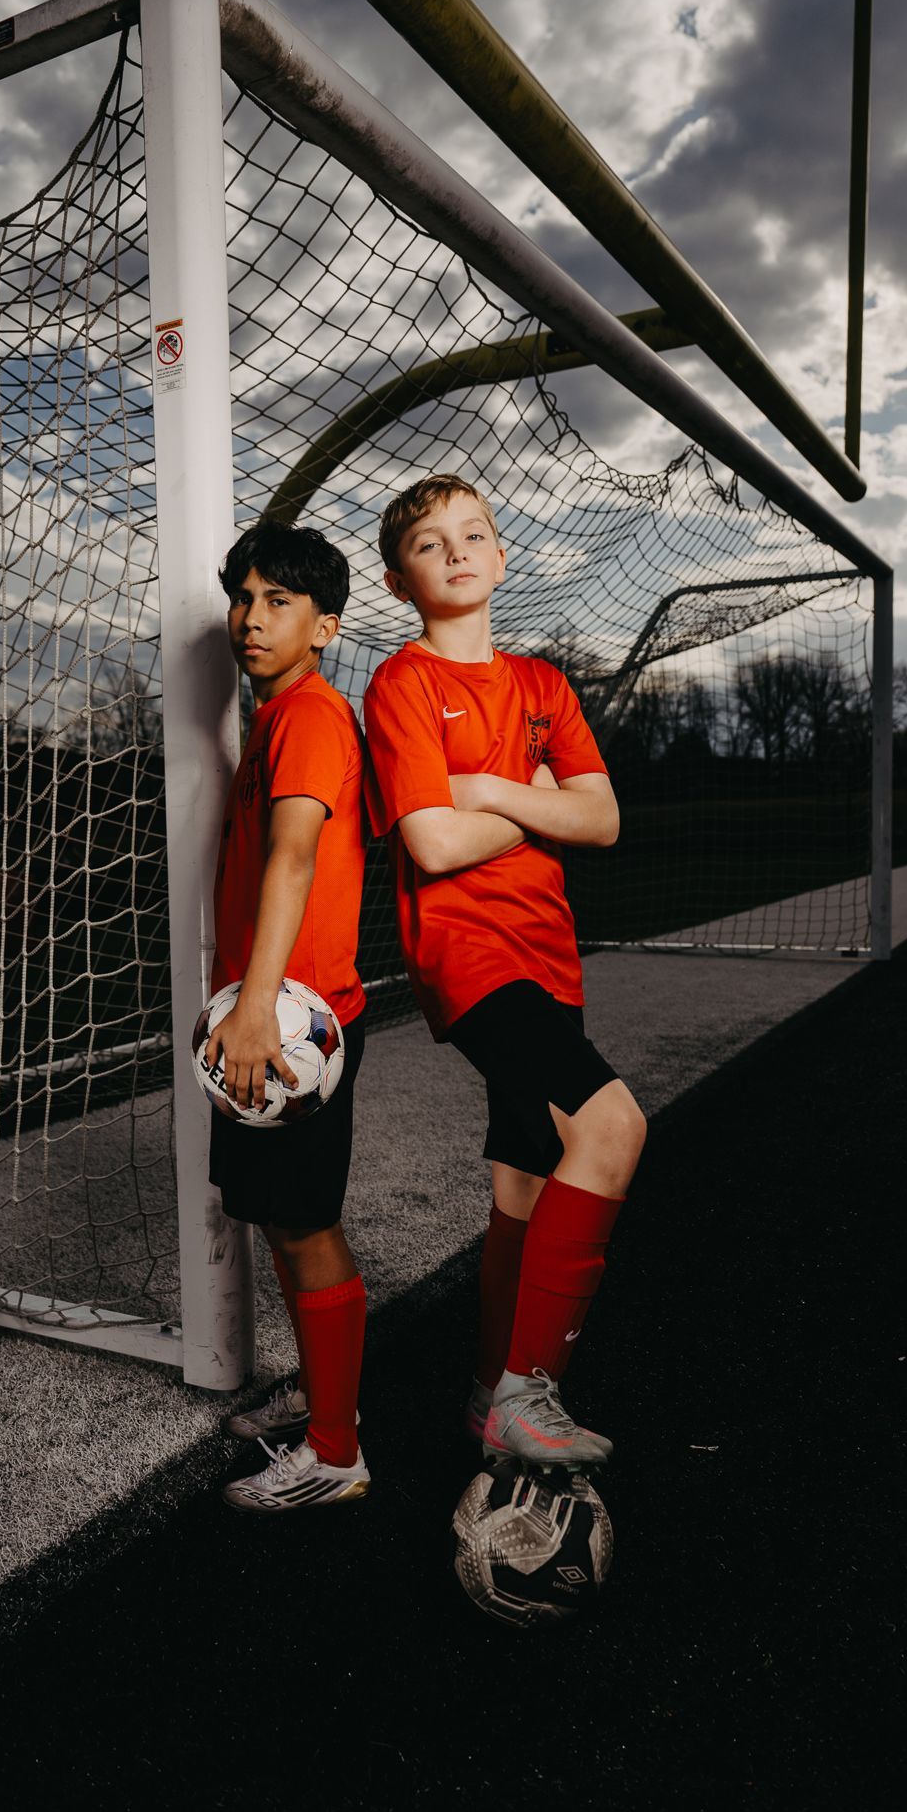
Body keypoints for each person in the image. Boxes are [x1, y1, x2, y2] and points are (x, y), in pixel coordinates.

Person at [362, 473, 646, 1468]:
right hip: (467, 952)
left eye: (475, 533)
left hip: (547, 948)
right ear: (401, 582)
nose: (459, 551)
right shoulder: (402, 683)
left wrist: (482, 788)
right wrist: (522, 795)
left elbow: (603, 818)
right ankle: (532, 1388)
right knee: (613, 1125)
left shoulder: (543, 685)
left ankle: (488, 1394)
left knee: (525, 1181)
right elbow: (432, 845)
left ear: (505, 554)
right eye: (433, 544)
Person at [205, 521, 370, 1512]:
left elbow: (295, 858)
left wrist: (258, 1006)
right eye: (246, 596)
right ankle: (325, 1392)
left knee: (306, 1226)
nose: (253, 618)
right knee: (281, 1218)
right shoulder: (272, 718)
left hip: (293, 1026)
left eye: (279, 601)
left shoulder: (309, 713)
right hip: (265, 1016)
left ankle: (338, 1453)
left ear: (327, 625)